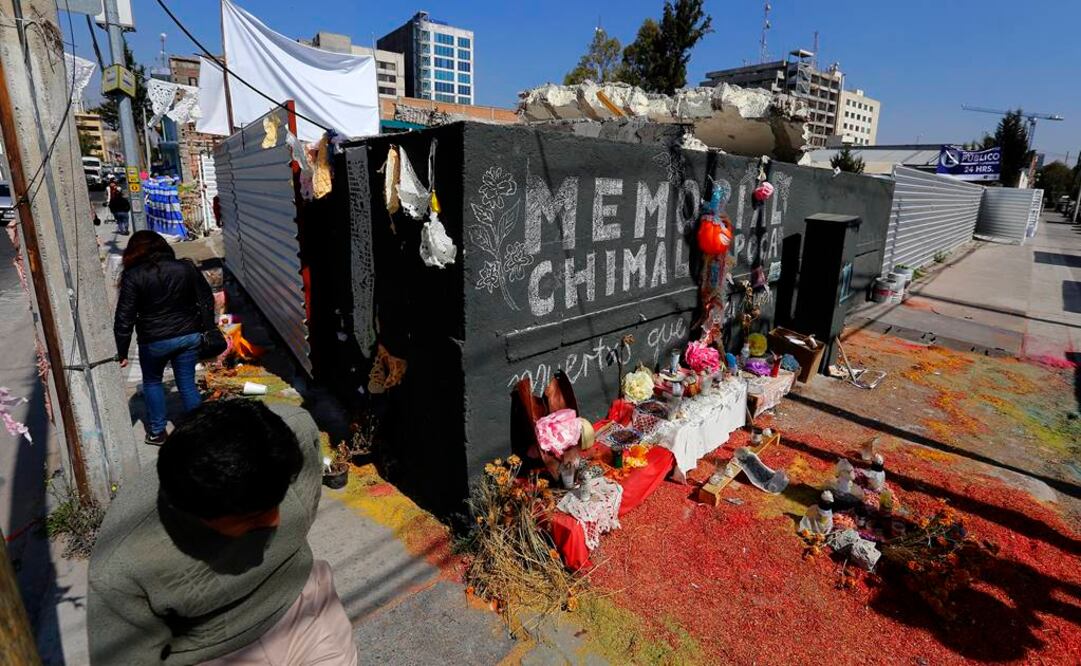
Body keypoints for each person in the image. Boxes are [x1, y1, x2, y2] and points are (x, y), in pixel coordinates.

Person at [88, 400, 358, 665]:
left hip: (306, 606)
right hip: (213, 653)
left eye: (277, 502)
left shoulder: (290, 432)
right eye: (252, 518)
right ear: (197, 514)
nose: (275, 521)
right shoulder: (119, 565)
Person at [114, 230, 213, 445]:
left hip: (154, 340)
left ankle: (158, 432)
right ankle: (201, 431)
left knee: (152, 382)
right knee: (187, 383)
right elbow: (206, 299)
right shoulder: (185, 267)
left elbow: (124, 317)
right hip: (188, 335)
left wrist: (121, 351)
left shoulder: (134, 275)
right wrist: (207, 328)